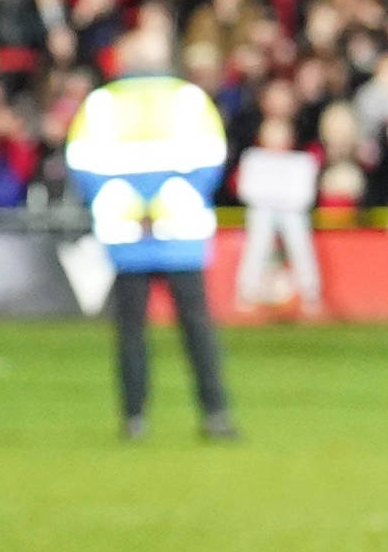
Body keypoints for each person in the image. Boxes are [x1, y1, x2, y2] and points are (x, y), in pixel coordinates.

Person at [66, 24, 241, 442]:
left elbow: (83, 165)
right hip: (180, 231)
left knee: (130, 331)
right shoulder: (189, 100)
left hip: (127, 234)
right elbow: (211, 162)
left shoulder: (102, 104)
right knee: (196, 327)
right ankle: (215, 414)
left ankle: (134, 419)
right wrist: (164, 205)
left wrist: (133, 207)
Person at [233, 105, 328, 321]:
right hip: (263, 212)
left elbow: (303, 197)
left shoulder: (301, 162)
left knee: (300, 243)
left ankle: (311, 296)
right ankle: (246, 295)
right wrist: (276, 199)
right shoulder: (253, 158)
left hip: (292, 213)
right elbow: (247, 191)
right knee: (256, 244)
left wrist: (276, 199)